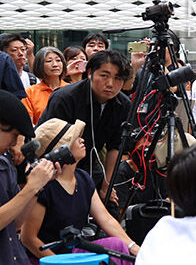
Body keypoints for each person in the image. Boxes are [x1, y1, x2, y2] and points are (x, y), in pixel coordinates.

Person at [19, 118, 139, 265]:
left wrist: (134, 248)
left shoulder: (83, 178)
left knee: (116, 247)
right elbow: (28, 238)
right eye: (75, 139)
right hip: (48, 262)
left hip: (75, 253)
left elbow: (106, 219)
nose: (82, 140)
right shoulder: (45, 187)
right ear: (60, 150)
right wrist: (62, 264)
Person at [0, 93, 59, 265]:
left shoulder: (4, 165)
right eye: (13, 136)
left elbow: (15, 223)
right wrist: (31, 187)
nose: (15, 145)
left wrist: (36, 185)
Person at [38, 50, 132, 201]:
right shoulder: (65, 98)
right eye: (104, 76)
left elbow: (115, 147)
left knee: (110, 203)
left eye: (118, 78)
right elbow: (50, 144)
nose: (110, 84)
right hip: (52, 163)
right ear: (90, 73)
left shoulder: (123, 104)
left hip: (90, 161)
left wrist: (107, 184)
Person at [22, 47, 66, 124]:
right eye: (49, 61)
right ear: (40, 65)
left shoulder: (71, 89)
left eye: (58, 60)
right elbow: (28, 124)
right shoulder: (30, 92)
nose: (55, 64)